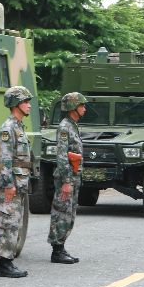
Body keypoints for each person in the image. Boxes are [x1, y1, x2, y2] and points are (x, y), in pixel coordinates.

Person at [0, 85, 34, 278]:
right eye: (25, 102)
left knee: (14, 222)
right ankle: (4, 264)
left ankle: (8, 261)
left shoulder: (19, 127)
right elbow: (5, 159)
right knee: (7, 222)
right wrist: (9, 184)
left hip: (19, 183)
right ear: (15, 104)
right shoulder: (8, 128)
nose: (29, 105)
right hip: (10, 184)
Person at [50, 91, 86, 263]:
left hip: (73, 176)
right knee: (62, 212)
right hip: (67, 177)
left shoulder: (73, 125)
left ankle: (61, 247)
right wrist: (66, 181)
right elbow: (62, 156)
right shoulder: (65, 127)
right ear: (73, 107)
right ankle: (57, 250)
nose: (84, 109)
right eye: (81, 105)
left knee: (69, 213)